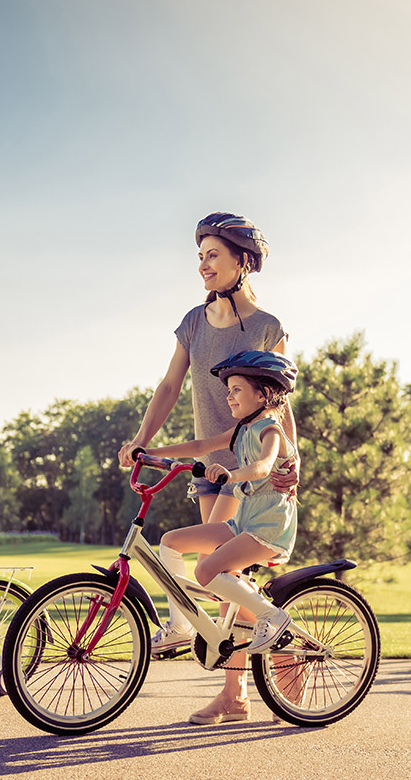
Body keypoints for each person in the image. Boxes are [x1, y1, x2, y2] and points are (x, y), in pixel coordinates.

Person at [118, 212, 299, 656]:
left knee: (214, 571)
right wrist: (143, 440)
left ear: (244, 261)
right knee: (219, 580)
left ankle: (272, 654)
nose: (203, 264)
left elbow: (280, 403)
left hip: (251, 469)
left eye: (213, 254)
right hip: (212, 464)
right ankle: (245, 680)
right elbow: (168, 386)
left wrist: (293, 464)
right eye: (200, 256)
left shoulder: (266, 327)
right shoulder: (194, 323)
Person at [142, 350, 299, 725]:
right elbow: (199, 447)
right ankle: (180, 625)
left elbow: (263, 465)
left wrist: (233, 475)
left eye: (236, 390)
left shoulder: (270, 429)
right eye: (229, 390)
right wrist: (146, 452)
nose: (229, 397)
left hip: (268, 527)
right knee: (170, 542)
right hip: (243, 521)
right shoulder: (242, 428)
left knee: (208, 571)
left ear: (262, 395)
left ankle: (272, 618)